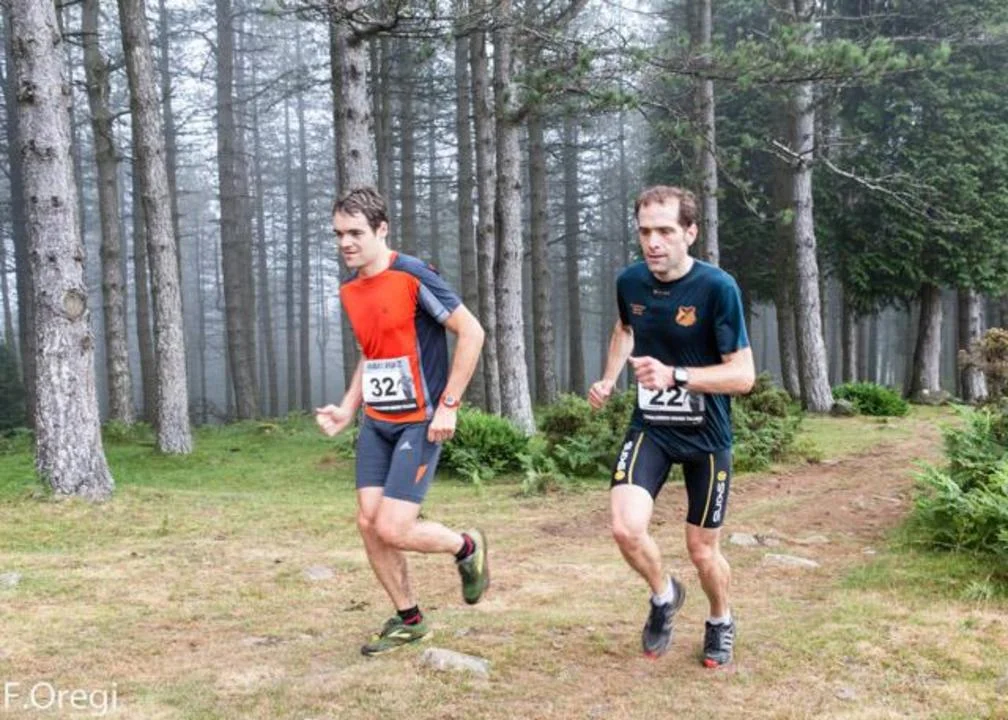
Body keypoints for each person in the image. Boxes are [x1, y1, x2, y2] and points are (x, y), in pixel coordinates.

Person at [316, 186, 489, 656]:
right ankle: (410, 619)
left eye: (355, 233)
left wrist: (450, 403)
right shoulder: (350, 290)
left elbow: (472, 331)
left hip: (420, 422)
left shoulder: (412, 275)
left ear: (382, 230)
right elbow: (370, 355)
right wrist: (348, 407)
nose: (345, 243)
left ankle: (466, 547)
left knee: (392, 527)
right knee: (368, 522)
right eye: (338, 234)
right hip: (377, 422)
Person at [588, 185, 755, 667]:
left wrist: (676, 376)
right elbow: (625, 329)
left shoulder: (718, 288)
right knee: (625, 528)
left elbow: (743, 376)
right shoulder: (630, 282)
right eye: (645, 232)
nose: (653, 242)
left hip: (707, 437)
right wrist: (609, 377)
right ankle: (664, 595)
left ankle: (720, 619)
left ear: (690, 232)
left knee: (702, 552)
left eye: (664, 231)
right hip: (652, 427)